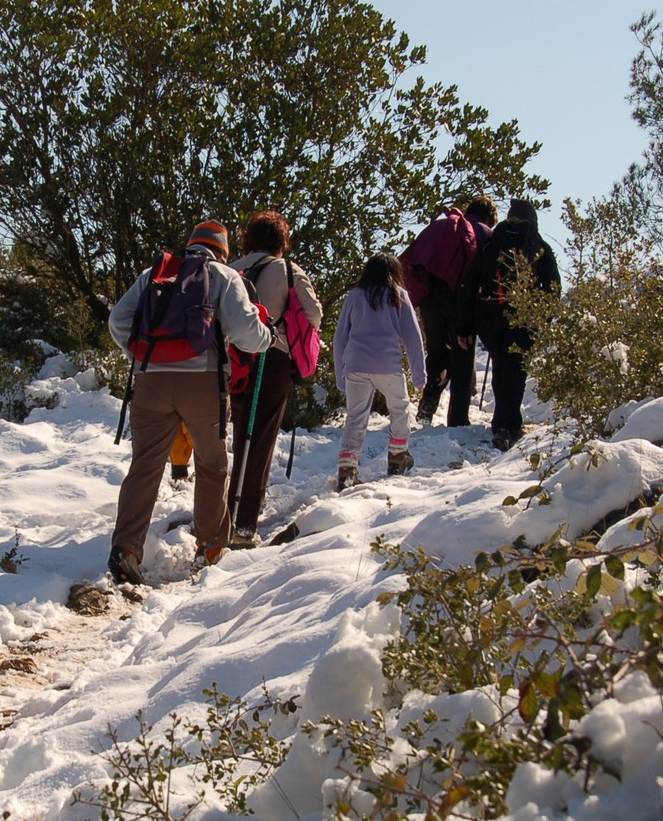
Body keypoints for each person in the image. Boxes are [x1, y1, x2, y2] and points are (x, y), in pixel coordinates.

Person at [107, 221, 272, 583]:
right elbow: (247, 334)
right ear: (222, 251)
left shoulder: (155, 274)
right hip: (203, 383)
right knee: (212, 465)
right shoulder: (224, 276)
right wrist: (267, 336)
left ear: (191, 245)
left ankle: (126, 548)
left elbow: (117, 321)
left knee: (145, 465)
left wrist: (143, 355)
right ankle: (211, 547)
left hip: (150, 381)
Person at [226, 211, 323, 547]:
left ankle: (226, 512)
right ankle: (243, 525)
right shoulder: (287, 270)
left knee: (241, 436)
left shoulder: (230, 270)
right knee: (260, 440)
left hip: (234, 360)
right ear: (282, 241)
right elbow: (314, 314)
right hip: (271, 359)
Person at [456, 198, 562, 451]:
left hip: (489, 316)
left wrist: (465, 326)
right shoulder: (539, 246)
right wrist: (543, 320)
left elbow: (469, 283)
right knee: (515, 370)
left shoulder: (492, 242)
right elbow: (553, 288)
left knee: (501, 365)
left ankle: (503, 423)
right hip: (524, 318)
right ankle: (507, 426)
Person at [331, 253, 427, 490]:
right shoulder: (399, 295)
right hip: (387, 364)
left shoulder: (354, 297)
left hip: (356, 365)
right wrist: (419, 375)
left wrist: (341, 376)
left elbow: (340, 338)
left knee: (356, 417)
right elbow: (413, 337)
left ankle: (347, 470)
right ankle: (397, 456)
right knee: (399, 408)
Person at [401, 196, 496, 426]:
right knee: (463, 356)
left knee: (436, 353)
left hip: (431, 298)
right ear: (488, 217)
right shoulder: (485, 233)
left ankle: (428, 403)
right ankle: (458, 418)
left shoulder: (442, 226)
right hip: (462, 301)